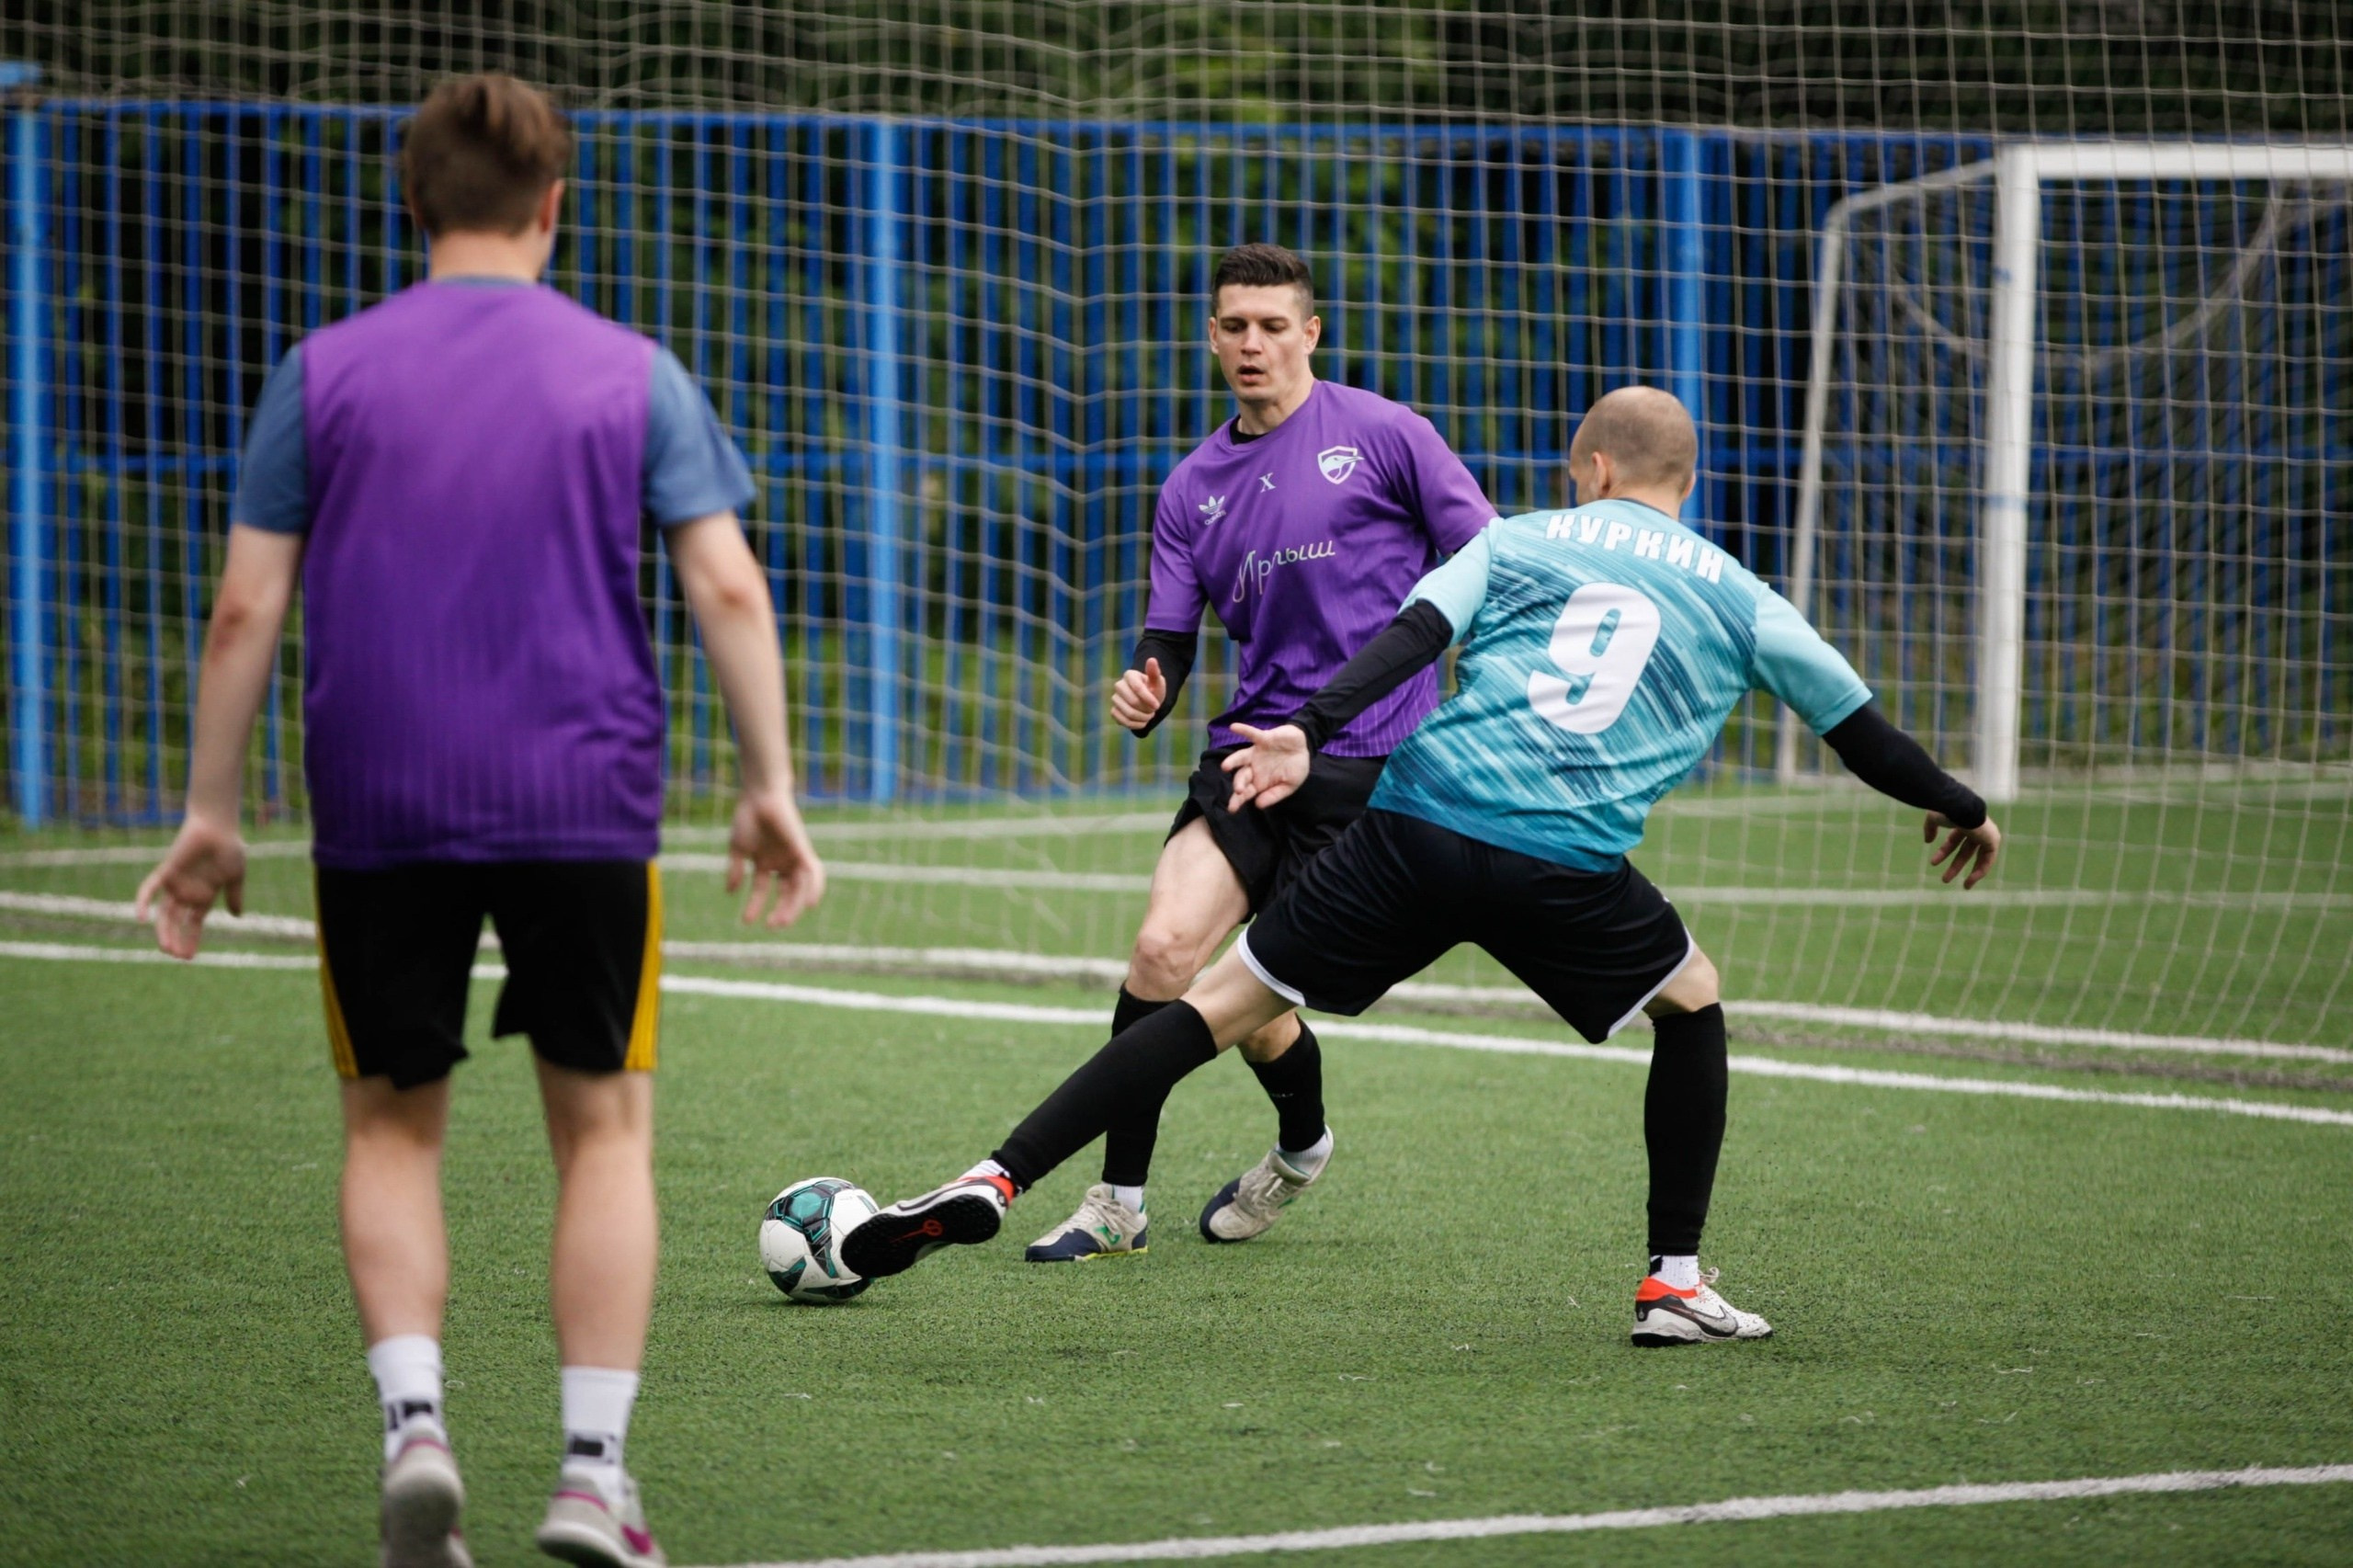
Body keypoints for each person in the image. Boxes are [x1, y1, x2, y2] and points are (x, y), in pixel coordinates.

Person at [842, 386, 1999, 1346]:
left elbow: (1410, 635)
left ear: (1588, 467)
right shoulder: (1742, 595)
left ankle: (996, 1174)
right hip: (1563, 860)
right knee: (1691, 1003)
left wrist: (1308, 725)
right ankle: (1671, 1282)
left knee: (1210, 1002)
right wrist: (1959, 802)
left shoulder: (1520, 538)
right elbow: (1860, 730)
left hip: (1413, 820)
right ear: (1681, 481)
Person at [133, 74, 824, 1568]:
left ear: (415, 203)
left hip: (378, 800)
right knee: (602, 1129)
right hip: (582, 797)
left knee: (391, 1122)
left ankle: (416, 1431)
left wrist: (207, 811)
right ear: (553, 206)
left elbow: (247, 603)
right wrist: (768, 784)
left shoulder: (322, 370)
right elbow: (725, 585)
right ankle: (589, 1476)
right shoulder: (630, 369)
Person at [1021, 242, 1500, 1265]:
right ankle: (1117, 1202)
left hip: (1378, 773)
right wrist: (1147, 686)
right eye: (1234, 325)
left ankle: (1299, 1145)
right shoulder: (1191, 484)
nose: (1253, 344)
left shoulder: (1385, 435)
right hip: (1249, 757)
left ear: (1310, 334)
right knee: (1162, 950)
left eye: (1273, 325)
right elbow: (1168, 638)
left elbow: (1487, 560)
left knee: (1253, 1001)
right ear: (1211, 336)